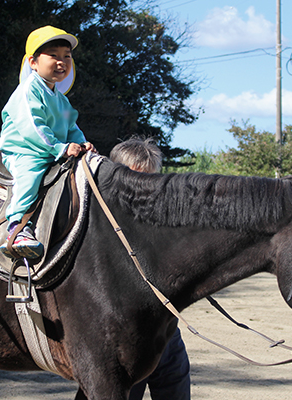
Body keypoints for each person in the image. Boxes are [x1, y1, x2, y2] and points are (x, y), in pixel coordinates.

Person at [0, 25, 96, 259]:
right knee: (30, 175)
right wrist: (60, 148)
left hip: (51, 151)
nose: (61, 61)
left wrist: (82, 143)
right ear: (33, 62)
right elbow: (33, 127)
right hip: (25, 150)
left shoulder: (60, 99)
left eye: (67, 56)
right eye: (54, 55)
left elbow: (71, 126)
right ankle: (17, 228)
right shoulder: (28, 91)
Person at [109, 137, 191, 400]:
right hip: (122, 340)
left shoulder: (164, 219)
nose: (146, 188)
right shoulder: (103, 222)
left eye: (151, 180)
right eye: (138, 179)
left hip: (166, 333)